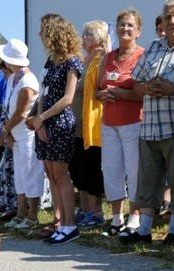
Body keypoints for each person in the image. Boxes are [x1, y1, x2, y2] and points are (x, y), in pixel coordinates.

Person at [126, 0, 174, 246]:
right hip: (149, 126)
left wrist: (173, 89)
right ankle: (144, 230)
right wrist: (145, 87)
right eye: (167, 17)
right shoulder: (153, 47)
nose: (172, 21)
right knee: (148, 180)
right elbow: (135, 84)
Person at [27, 16, 83, 245]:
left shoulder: (73, 62)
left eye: (45, 33)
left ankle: (70, 225)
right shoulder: (52, 61)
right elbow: (44, 92)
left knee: (61, 175)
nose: (41, 37)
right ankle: (61, 224)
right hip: (46, 122)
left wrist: (42, 118)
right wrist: (39, 121)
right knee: (51, 175)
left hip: (60, 123)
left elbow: (67, 98)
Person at [96, 8, 145, 237]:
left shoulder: (143, 55)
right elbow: (97, 90)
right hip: (109, 122)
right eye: (122, 25)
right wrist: (103, 95)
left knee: (134, 171)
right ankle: (116, 218)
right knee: (112, 171)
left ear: (138, 31)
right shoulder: (107, 57)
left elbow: (145, 92)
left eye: (130, 26)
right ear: (115, 29)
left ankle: (135, 217)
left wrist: (121, 94)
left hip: (134, 122)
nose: (125, 29)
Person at [0, 38, 42, 230]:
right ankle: (21, 213)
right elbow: (9, 108)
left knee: (31, 173)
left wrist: (6, 130)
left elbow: (21, 112)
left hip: (28, 134)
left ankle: (32, 216)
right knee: (20, 176)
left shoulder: (28, 80)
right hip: (16, 135)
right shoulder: (13, 78)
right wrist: (8, 133)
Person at [71, 20, 110, 229]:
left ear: (99, 37)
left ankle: (96, 211)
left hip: (92, 122)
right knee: (79, 170)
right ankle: (85, 209)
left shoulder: (101, 59)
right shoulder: (83, 60)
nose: (83, 37)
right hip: (76, 125)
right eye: (84, 33)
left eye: (88, 34)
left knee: (91, 168)